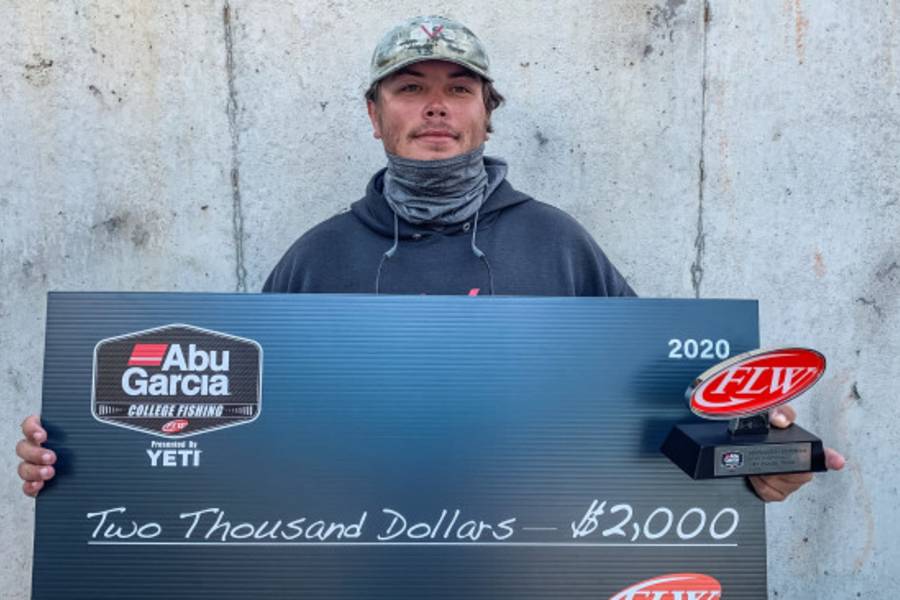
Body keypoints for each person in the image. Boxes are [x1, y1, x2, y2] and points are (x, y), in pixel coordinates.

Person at [16, 16, 843, 502]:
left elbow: (662, 403)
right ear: (374, 116)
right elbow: (240, 440)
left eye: (459, 86)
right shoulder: (316, 259)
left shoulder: (560, 245)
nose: (437, 104)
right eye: (410, 87)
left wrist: (754, 457)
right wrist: (88, 468)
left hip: (536, 570)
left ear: (488, 112)